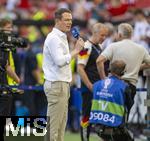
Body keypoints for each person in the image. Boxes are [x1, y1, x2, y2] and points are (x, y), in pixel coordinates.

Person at [42, 8, 84, 141]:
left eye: (70, 20)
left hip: (61, 84)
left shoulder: (61, 36)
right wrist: (76, 50)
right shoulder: (54, 38)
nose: (69, 23)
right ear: (57, 21)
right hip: (57, 84)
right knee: (54, 128)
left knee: (60, 126)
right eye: (66, 20)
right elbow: (60, 61)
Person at [96, 23, 150, 115]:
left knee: (112, 115)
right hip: (131, 86)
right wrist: (137, 67)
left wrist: (103, 78)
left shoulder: (113, 46)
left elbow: (99, 61)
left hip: (114, 84)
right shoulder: (141, 48)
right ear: (131, 35)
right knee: (124, 116)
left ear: (120, 34)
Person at [77, 23, 108, 141]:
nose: (104, 38)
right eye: (102, 35)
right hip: (89, 89)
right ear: (94, 33)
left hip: (98, 88)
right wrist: (89, 85)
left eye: (105, 35)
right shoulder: (86, 47)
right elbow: (80, 68)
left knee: (99, 116)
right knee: (86, 115)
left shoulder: (98, 47)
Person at [90, 60, 134, 141]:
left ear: (110, 70)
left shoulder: (96, 85)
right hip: (116, 126)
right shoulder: (124, 87)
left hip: (97, 126)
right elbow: (130, 104)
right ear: (123, 73)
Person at [0, 18, 21, 141]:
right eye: (8, 28)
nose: (11, 30)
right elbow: (6, 66)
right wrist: (17, 79)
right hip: (4, 85)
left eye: (11, 27)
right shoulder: (4, 45)